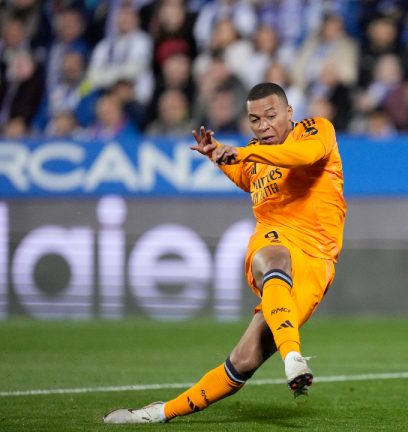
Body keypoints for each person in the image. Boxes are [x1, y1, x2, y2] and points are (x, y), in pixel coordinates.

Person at [103, 82, 346, 424]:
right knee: (274, 256)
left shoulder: (315, 130)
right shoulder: (255, 154)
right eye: (254, 120)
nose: (263, 126)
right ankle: (293, 357)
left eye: (271, 116)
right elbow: (243, 175)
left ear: (290, 113)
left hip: (318, 261)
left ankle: (161, 411)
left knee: (244, 361)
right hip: (274, 239)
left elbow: (301, 158)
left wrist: (244, 153)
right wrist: (217, 155)